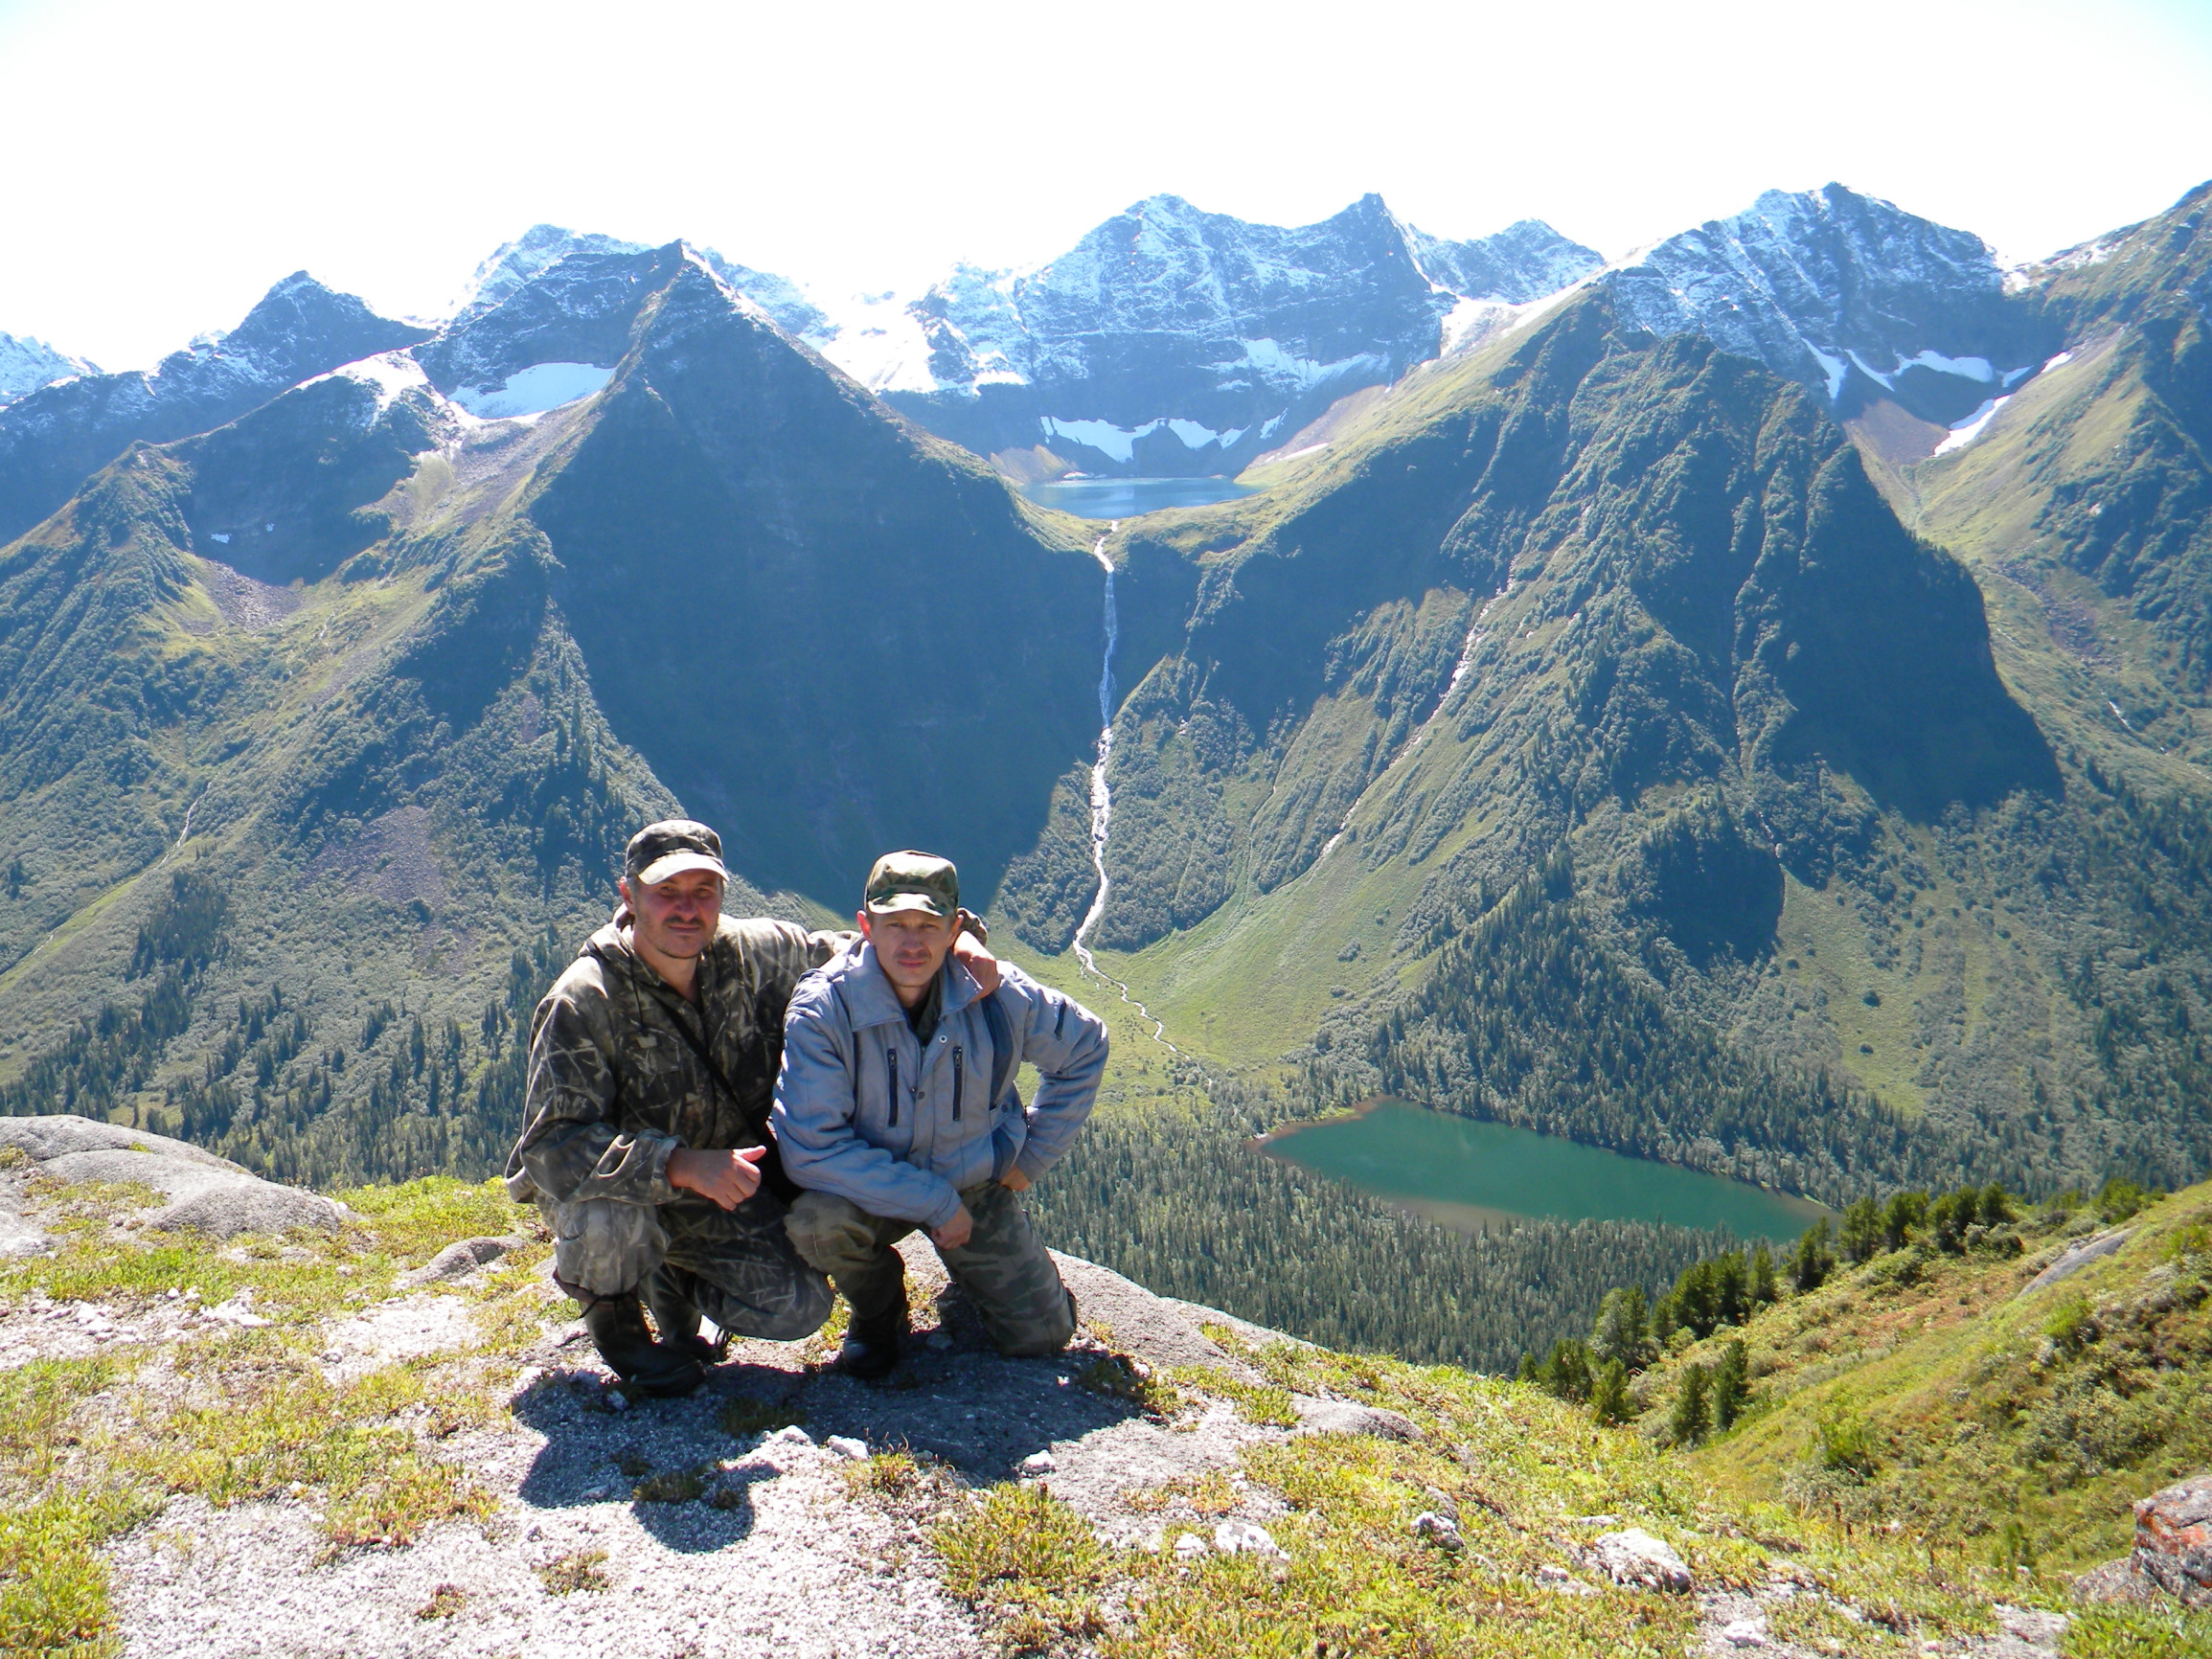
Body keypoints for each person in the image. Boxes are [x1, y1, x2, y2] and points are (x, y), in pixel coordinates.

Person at [505, 820, 999, 1396]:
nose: (686, 910)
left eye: (703, 893)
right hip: (629, 1190)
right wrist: (680, 1165)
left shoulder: (757, 952)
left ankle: (670, 1276)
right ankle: (619, 1327)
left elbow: (878, 947)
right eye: (667, 892)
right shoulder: (586, 998)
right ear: (629, 895)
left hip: (729, 1184)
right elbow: (549, 1149)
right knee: (606, 1216)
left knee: (799, 1308)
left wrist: (964, 939)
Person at [773, 850, 1108, 1379]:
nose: (912, 942)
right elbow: (812, 1147)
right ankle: (880, 1311)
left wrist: (1034, 1156)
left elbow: (1086, 1045)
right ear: (866, 926)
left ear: (954, 928)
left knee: (1042, 1336)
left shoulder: (998, 993)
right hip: (870, 1189)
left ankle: (974, 1281)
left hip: (974, 1181)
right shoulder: (824, 1009)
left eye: (929, 925)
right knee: (819, 1224)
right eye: (895, 924)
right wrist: (932, 1200)